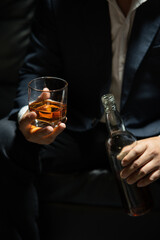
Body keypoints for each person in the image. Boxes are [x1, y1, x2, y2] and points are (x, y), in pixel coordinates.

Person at [1, 0, 160, 239]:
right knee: (5, 137)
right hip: (78, 129)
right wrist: (31, 115)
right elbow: (38, 69)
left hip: (151, 134)